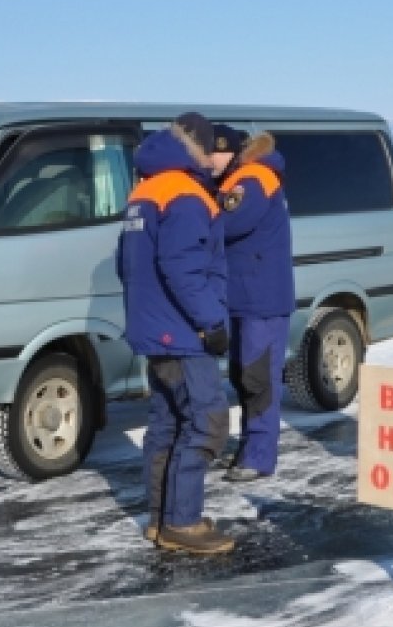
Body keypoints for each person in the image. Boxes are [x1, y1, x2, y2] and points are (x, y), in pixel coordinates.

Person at [116, 111, 235, 554]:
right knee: (207, 422)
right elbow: (183, 267)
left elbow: (123, 264)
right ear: (200, 148)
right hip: (182, 332)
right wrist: (211, 322)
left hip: (153, 327)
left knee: (166, 423)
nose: (218, 157)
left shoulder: (144, 191)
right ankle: (182, 522)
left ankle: (160, 520)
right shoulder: (185, 194)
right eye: (215, 148)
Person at [210, 124, 294, 482]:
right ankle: (251, 447)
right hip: (243, 294)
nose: (208, 160)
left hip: (260, 298)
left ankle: (259, 456)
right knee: (244, 375)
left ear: (230, 151)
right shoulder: (234, 180)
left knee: (258, 376)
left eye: (213, 152)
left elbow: (229, 223)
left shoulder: (253, 178)